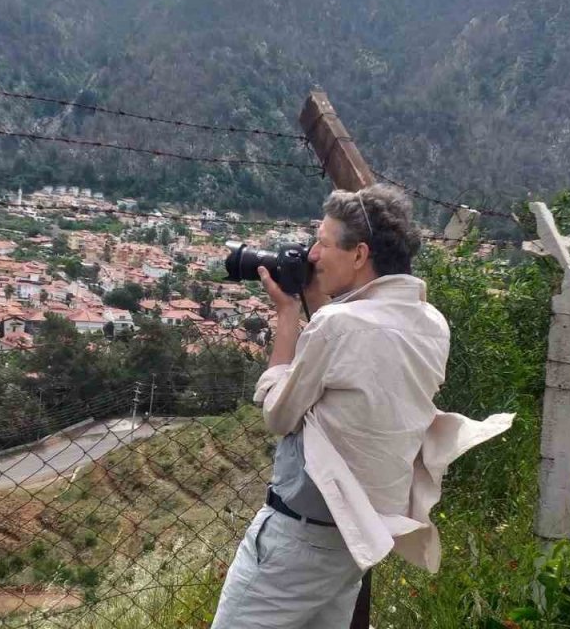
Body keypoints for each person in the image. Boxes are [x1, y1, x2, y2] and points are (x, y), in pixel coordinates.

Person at [210, 184, 514, 628]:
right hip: (352, 540)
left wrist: (289, 316)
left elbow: (279, 415)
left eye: (324, 242)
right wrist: (318, 303)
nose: (312, 254)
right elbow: (355, 374)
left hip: (295, 540)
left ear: (359, 255)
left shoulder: (337, 326)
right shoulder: (431, 324)